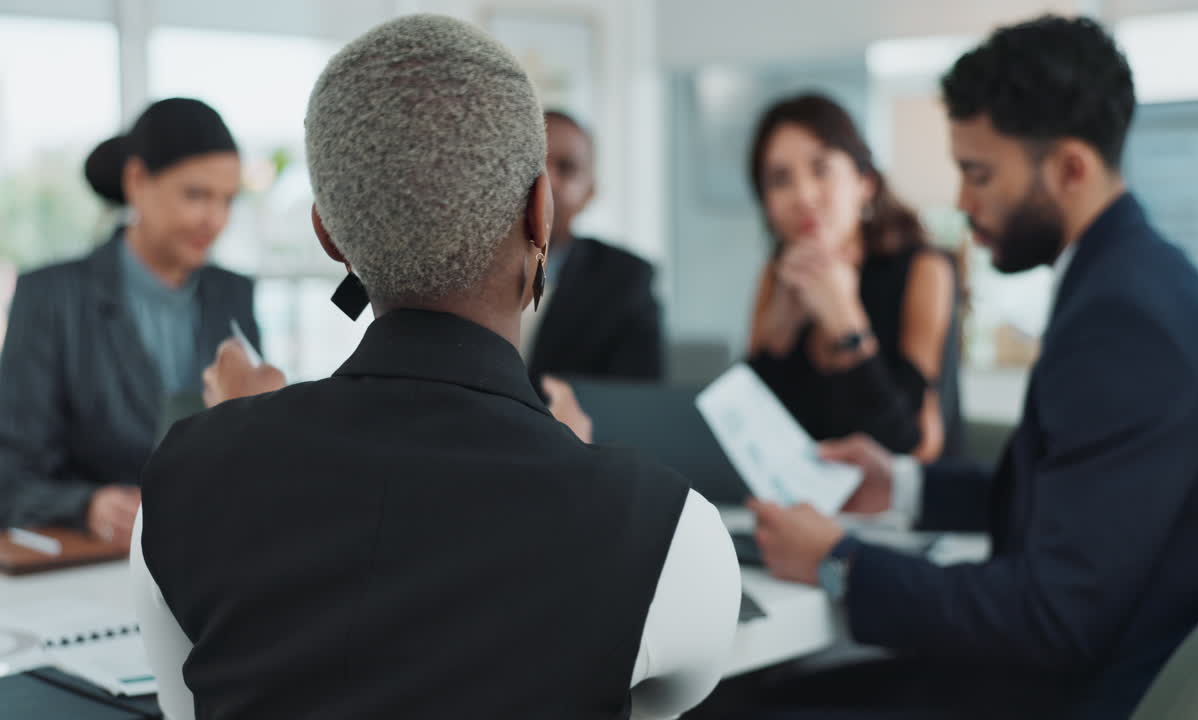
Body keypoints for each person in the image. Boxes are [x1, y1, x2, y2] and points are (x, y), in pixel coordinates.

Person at [130, 15, 740, 720]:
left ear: (329, 234)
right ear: (541, 212)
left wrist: (230, 432)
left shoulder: (178, 490)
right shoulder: (670, 534)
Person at [748, 16, 1198, 719]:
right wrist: (901, 485)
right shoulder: (1131, 279)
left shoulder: (1126, 319)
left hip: (1099, 692)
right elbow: (1073, 496)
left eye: (979, 174)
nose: (963, 204)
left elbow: (1051, 616)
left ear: (1068, 170)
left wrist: (840, 562)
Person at [0, 98, 259, 545]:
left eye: (227, 199)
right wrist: (87, 505)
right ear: (137, 181)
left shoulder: (232, 293)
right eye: (195, 195)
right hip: (93, 563)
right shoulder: (51, 297)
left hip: (211, 554)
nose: (215, 220)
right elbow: (10, 474)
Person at [745, 94, 962, 462]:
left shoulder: (924, 268)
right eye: (780, 179)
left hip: (912, 511)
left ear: (865, 184)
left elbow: (915, 445)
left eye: (821, 169)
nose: (804, 196)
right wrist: (779, 327)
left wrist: (846, 320)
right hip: (804, 505)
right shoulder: (776, 276)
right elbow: (746, 433)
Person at [522, 110, 665, 384]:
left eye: (566, 168)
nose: (546, 181)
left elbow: (636, 400)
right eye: (533, 163)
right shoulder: (468, 269)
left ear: (590, 194)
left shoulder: (626, 281)